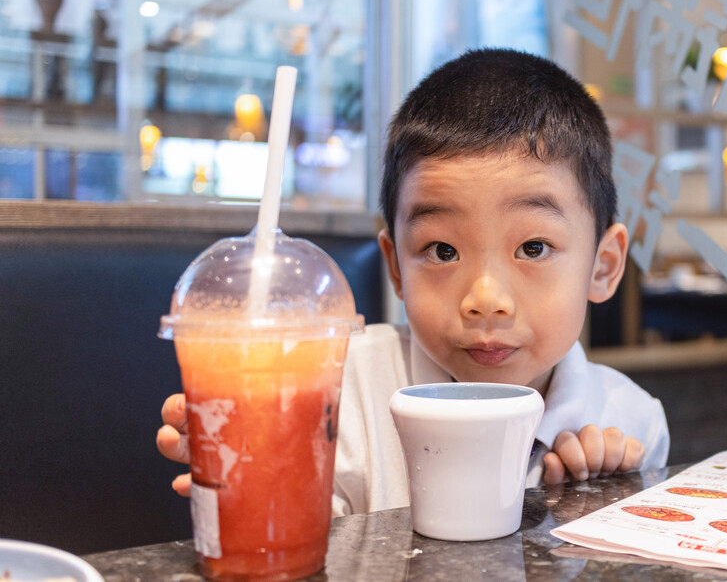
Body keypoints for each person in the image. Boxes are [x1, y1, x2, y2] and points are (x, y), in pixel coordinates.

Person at [158, 48, 670, 515]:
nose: (485, 300)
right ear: (397, 266)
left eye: (533, 248)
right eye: (442, 250)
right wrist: (255, 480)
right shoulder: (340, 386)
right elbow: (298, 540)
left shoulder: (631, 419)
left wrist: (607, 498)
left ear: (602, 266)